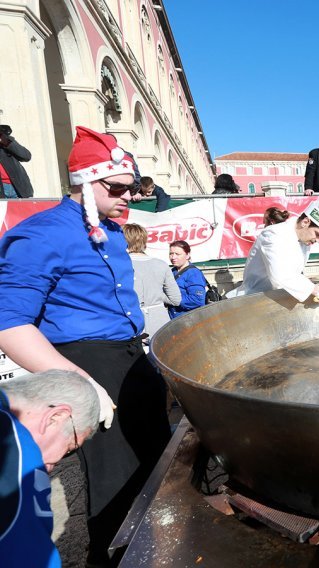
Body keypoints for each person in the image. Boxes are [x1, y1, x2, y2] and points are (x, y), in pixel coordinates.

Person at [0, 126, 170, 566]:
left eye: (133, 189)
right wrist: (83, 383)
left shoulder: (112, 230)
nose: (128, 197)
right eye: (116, 188)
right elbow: (9, 324)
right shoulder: (41, 235)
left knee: (157, 468)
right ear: (83, 181)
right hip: (84, 361)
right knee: (115, 486)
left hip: (130, 356)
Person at [0, 370, 100, 568]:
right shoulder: (22, 456)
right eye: (70, 448)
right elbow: (30, 558)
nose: (52, 466)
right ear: (56, 417)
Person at [235, 200, 319, 302]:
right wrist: (314, 290)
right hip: (253, 299)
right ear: (305, 222)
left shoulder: (304, 241)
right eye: (318, 234)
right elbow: (280, 276)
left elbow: (294, 273)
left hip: (277, 298)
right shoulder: (273, 234)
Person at [123, 223, 181, 339]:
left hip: (130, 323)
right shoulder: (161, 264)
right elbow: (175, 300)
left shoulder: (119, 265)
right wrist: (157, 295)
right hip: (160, 323)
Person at [168, 240, 206, 319]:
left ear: (187, 255)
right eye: (171, 254)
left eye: (177, 254)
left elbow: (197, 300)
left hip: (190, 320)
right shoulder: (172, 272)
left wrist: (172, 300)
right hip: (174, 320)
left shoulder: (193, 274)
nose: (173, 257)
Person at [0, 124, 33, 198]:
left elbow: (26, 156)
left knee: (23, 210)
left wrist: (7, 142)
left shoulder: (6, 143)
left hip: (18, 187)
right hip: (2, 190)